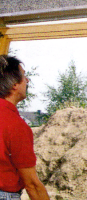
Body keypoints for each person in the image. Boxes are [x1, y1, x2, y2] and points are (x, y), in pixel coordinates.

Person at [0, 55, 50, 200]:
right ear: (14, 85)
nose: (27, 80)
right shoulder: (15, 125)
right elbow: (32, 185)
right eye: (24, 76)